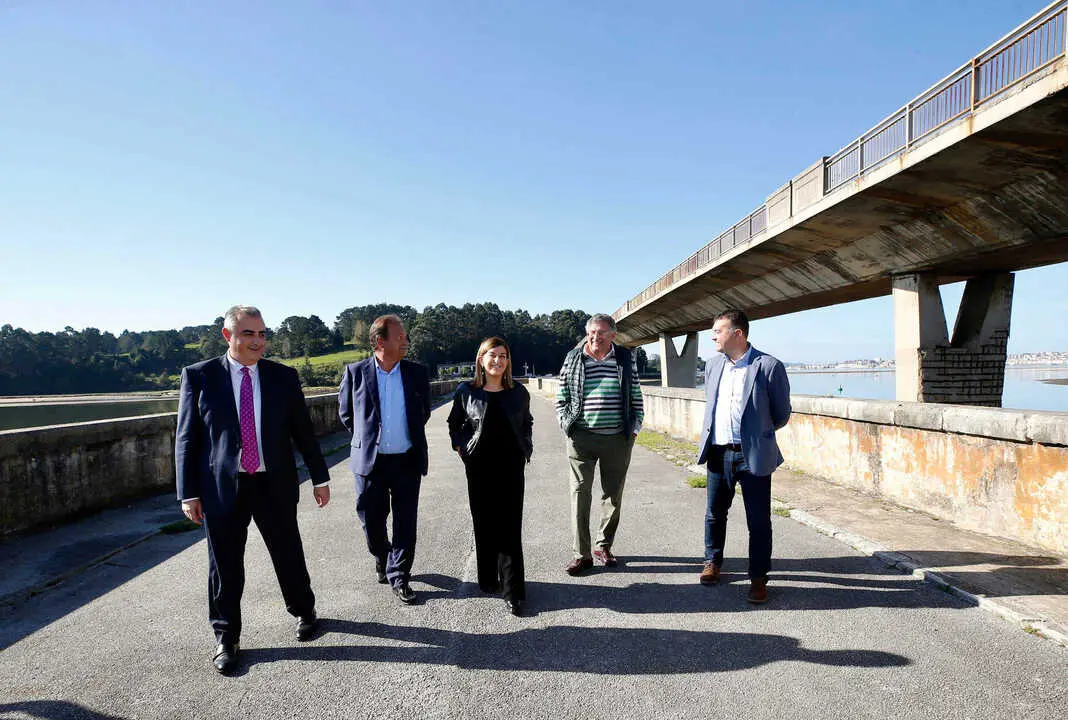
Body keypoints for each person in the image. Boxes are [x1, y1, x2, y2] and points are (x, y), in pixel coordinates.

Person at [175, 305, 331, 675]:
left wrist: (320, 477)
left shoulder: (283, 377)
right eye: (249, 334)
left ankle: (304, 610)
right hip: (221, 488)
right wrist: (188, 492)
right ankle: (226, 637)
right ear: (228, 336)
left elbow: (303, 433)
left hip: (272, 483)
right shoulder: (199, 377)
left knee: (288, 552)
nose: (257, 341)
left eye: (262, 334)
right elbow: (186, 437)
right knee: (225, 566)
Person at [697, 308, 791, 604]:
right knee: (714, 514)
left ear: (738, 333)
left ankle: (759, 578)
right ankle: (712, 563)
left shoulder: (768, 366)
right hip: (718, 452)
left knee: (759, 521)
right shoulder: (713, 366)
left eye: (718, 331)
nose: (713, 336)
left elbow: (781, 414)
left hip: (753, 455)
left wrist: (756, 435)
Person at [338, 314, 431, 604]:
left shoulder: (416, 373)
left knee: (406, 521)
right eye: (400, 336)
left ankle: (399, 575)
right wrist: (368, 440)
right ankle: (383, 555)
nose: (406, 340)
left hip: (406, 460)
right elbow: (346, 414)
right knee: (370, 518)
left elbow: (423, 412)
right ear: (381, 341)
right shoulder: (355, 372)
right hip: (371, 462)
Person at [447, 337, 533, 616]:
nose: (498, 361)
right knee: (484, 524)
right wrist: (462, 447)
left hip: (511, 466)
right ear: (481, 359)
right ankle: (487, 579)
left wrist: (526, 446)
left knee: (509, 527)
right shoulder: (466, 391)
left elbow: (527, 422)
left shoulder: (518, 392)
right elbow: (454, 423)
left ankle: (513, 591)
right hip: (479, 466)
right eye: (492, 355)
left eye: (503, 356)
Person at [555, 313, 643, 576]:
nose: (595, 336)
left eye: (601, 332)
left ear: (612, 335)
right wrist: (565, 423)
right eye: (592, 332)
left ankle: (603, 546)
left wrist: (635, 428)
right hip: (581, 437)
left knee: (612, 495)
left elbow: (635, 393)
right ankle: (580, 554)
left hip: (617, 437)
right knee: (580, 494)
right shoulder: (573, 358)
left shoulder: (625, 358)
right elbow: (562, 396)